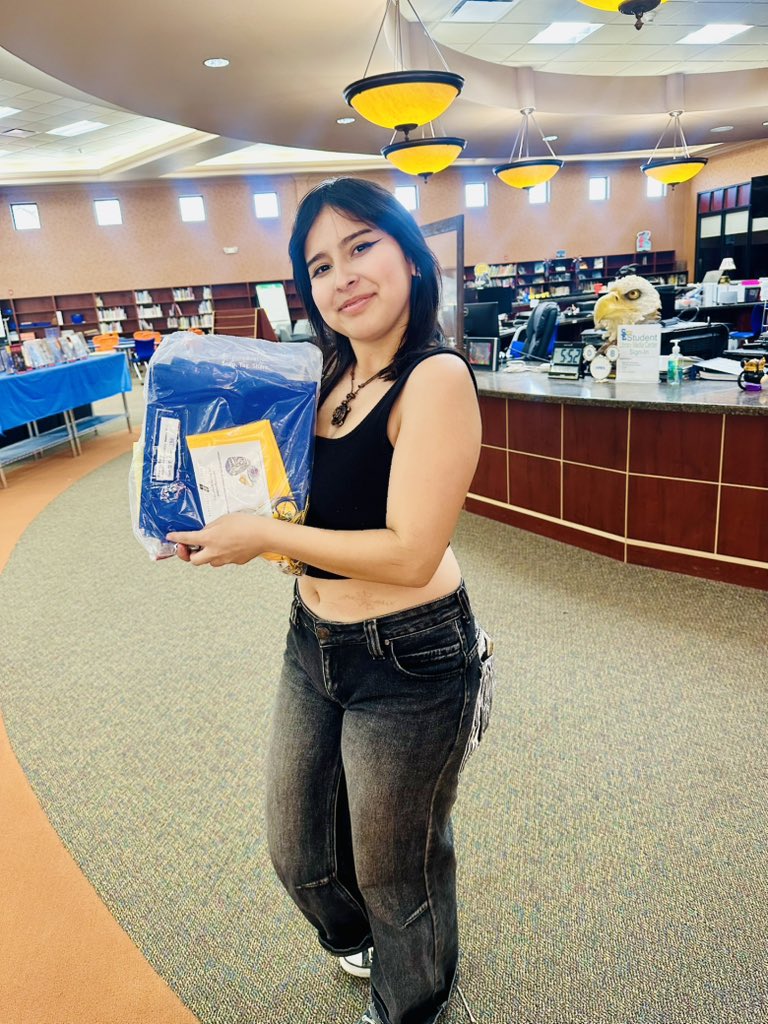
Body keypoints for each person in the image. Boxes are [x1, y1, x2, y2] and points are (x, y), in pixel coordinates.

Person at [167, 177, 491, 1024]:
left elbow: (410, 552)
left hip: (411, 653)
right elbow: (285, 498)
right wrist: (210, 523)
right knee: (297, 848)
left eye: (361, 247)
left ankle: (410, 1001)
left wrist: (268, 537)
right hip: (312, 637)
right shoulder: (328, 372)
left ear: (411, 260)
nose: (341, 275)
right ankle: (354, 938)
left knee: (398, 868)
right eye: (319, 265)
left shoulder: (435, 379)